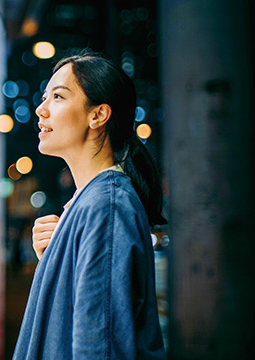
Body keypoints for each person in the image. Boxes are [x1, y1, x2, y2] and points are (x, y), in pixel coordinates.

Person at [13, 49, 167, 359]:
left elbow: (100, 344)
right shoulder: (91, 203)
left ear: (97, 115)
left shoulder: (106, 207)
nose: (41, 110)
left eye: (57, 97)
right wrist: (58, 258)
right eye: (44, 97)